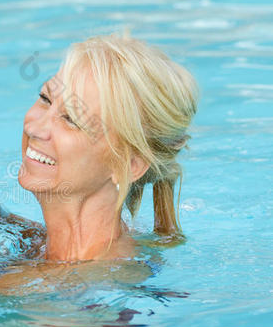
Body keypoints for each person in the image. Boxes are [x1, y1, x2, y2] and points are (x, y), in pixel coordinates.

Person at [19, 33, 198, 262]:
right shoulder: (41, 247)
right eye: (45, 98)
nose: (36, 128)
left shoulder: (79, 286)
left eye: (71, 119)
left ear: (131, 164)